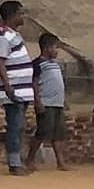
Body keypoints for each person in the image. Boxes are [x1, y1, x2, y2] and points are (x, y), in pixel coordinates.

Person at [0, 0, 38, 175]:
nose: (23, 17)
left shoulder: (12, 34)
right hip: (14, 89)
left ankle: (17, 161)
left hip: (21, 89)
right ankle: (14, 163)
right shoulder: (3, 36)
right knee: (15, 125)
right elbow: (0, 63)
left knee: (19, 125)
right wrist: (8, 86)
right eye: (21, 13)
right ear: (12, 15)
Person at [29, 35, 71, 172]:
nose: (57, 51)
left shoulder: (56, 64)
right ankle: (29, 159)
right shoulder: (37, 64)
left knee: (58, 132)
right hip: (46, 102)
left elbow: (59, 84)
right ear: (46, 48)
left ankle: (60, 161)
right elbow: (34, 83)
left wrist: (63, 100)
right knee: (43, 131)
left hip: (57, 103)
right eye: (55, 47)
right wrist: (37, 101)